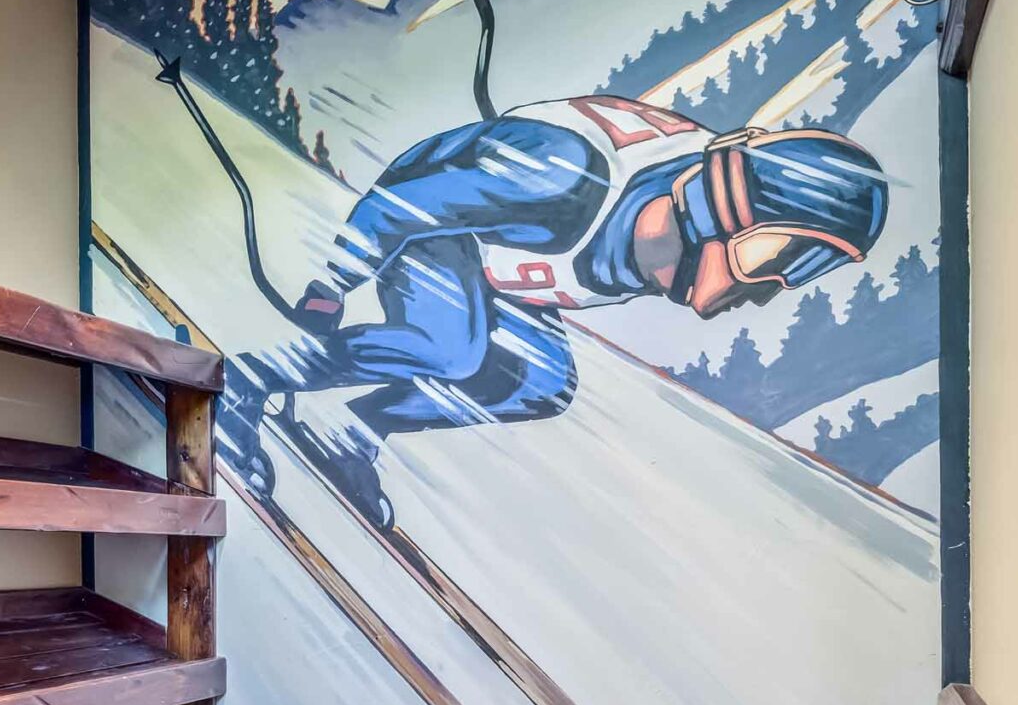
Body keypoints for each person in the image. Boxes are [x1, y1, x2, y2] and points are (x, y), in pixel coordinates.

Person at [262, 95, 888, 519]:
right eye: (775, 256)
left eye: (799, 273)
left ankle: (352, 431)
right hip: (432, 226)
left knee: (539, 383)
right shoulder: (562, 177)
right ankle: (250, 376)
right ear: (723, 206)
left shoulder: (663, 228)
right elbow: (408, 205)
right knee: (452, 347)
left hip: (496, 256)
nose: (760, 289)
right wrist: (333, 284)